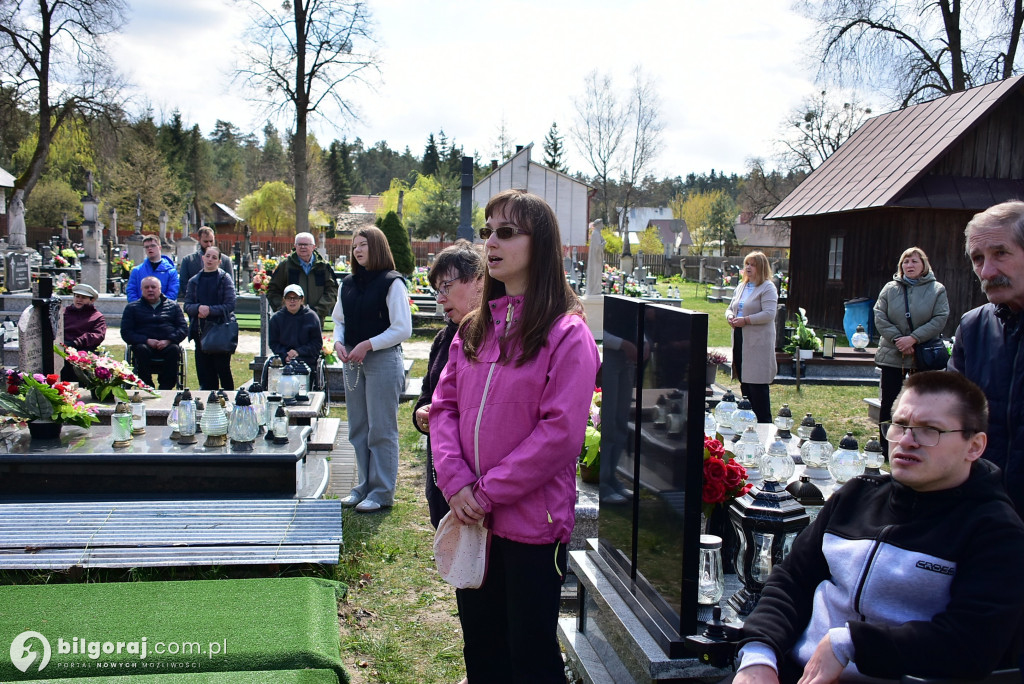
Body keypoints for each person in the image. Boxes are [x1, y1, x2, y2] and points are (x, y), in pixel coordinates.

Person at [733, 371, 1024, 683]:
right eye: (899, 425)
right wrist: (759, 655)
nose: (906, 441)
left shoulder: (995, 532)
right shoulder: (856, 495)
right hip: (794, 671)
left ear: (975, 446)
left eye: (930, 430)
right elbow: (791, 581)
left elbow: (970, 644)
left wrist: (850, 643)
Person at [431, 189, 600, 684]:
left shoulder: (567, 334)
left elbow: (560, 433)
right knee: (481, 650)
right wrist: (456, 485)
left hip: (531, 524)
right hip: (472, 518)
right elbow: (444, 407)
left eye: (506, 232)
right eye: (487, 231)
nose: (491, 242)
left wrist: (485, 493)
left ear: (540, 243)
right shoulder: (474, 329)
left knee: (529, 658)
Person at [331, 226, 411, 514]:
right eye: (354, 246)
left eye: (363, 244)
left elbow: (403, 328)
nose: (358, 250)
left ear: (376, 247)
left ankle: (382, 491)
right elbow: (338, 320)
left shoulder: (392, 283)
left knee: (381, 428)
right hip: (353, 360)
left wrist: (368, 344)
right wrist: (338, 342)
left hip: (382, 360)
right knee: (358, 427)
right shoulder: (348, 283)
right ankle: (363, 485)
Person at [950, 199, 1024, 512]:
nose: (987, 271)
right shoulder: (973, 326)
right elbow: (951, 418)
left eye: (1000, 253)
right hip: (982, 509)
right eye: (978, 258)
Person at [412, 240, 484, 528]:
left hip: (477, 485)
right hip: (442, 476)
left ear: (479, 281)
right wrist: (421, 414)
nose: (440, 298)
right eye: (437, 289)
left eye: (447, 287)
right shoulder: (443, 340)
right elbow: (426, 395)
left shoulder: (495, 339)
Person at [873, 246, 949, 455]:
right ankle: (885, 445)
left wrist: (914, 339)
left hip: (922, 355)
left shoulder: (937, 289)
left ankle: (921, 443)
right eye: (906, 262)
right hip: (893, 353)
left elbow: (940, 318)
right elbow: (879, 314)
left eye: (915, 261)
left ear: (924, 265)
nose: (910, 265)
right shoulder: (890, 288)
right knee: (889, 401)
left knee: (922, 401)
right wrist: (898, 339)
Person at [725, 251, 777, 423]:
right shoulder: (741, 286)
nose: (748, 267)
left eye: (752, 264)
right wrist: (730, 317)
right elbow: (731, 308)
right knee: (745, 382)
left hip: (757, 342)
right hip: (740, 337)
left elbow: (769, 313)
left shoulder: (767, 287)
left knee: (757, 385)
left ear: (761, 268)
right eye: (746, 264)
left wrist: (746, 320)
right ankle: (748, 423)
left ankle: (763, 424)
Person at [121, 276, 188, 390]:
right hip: (144, 345)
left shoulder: (173, 306)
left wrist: (169, 340)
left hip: (167, 344)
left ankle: (166, 387)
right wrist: (146, 340)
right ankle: (146, 385)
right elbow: (126, 332)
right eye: (146, 287)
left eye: (153, 287)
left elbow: (183, 328)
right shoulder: (132, 308)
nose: (150, 290)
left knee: (174, 350)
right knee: (141, 349)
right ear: (142, 289)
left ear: (160, 289)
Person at [185, 245, 236, 390]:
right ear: (202, 258)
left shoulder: (225, 279)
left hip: (220, 332)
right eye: (207, 256)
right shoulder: (193, 281)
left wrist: (210, 310)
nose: (210, 260)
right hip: (200, 333)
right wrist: (198, 308)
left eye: (214, 257)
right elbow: (187, 305)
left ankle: (229, 400)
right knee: (205, 374)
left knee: (222, 369)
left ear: (219, 261)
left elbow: (230, 304)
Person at [268, 232, 338, 324]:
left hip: (316, 319)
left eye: (306, 244)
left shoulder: (323, 266)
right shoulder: (285, 265)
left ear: (313, 247)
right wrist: (284, 309)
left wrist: (319, 310)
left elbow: (332, 291)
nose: (302, 247)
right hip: (290, 320)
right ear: (295, 246)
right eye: (299, 244)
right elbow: (273, 290)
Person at [269, 284, 323, 367]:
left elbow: (316, 343)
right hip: (283, 359)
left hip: (306, 359)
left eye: (295, 298)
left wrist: (298, 352)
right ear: (284, 300)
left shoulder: (311, 317)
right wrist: (285, 355)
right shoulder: (276, 318)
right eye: (288, 298)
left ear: (302, 299)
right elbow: (273, 343)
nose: (292, 301)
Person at [61, 283, 106, 381]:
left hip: (84, 349)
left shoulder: (97, 317)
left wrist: (77, 342)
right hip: (63, 346)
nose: (79, 300)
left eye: (84, 297)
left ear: (92, 300)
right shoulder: (64, 313)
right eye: (77, 296)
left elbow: (98, 335)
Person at [177, 226, 233, 298]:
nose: (209, 244)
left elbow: (230, 286)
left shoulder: (225, 260)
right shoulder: (188, 261)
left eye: (211, 241)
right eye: (206, 241)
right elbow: (184, 284)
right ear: (199, 240)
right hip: (196, 303)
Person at [126, 235, 179, 302]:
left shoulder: (171, 272)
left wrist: (159, 307)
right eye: (146, 247)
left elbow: (172, 293)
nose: (149, 248)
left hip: (163, 310)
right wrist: (138, 307)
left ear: (160, 247)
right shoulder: (137, 271)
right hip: (140, 310)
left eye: (153, 246)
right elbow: (131, 291)